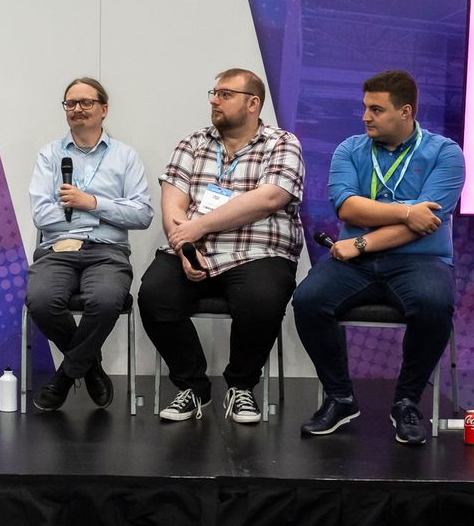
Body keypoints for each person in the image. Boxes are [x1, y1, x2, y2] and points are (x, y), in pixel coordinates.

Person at [293, 70, 465, 446]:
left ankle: (406, 402)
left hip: (418, 260)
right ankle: (340, 398)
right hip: (356, 265)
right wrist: (407, 211)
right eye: (365, 107)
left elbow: (428, 223)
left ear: (405, 112)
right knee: (307, 300)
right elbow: (348, 208)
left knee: (434, 304)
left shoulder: (445, 153)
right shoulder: (350, 149)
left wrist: (361, 243)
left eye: (376, 109)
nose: (365, 117)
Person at [138, 68, 303, 423]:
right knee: (154, 295)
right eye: (214, 93)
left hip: (257, 250)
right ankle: (193, 387)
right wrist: (183, 246)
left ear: (253, 103)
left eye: (225, 94)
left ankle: (241, 386)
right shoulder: (192, 143)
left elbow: (270, 197)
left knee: (262, 299)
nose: (215, 100)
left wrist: (198, 226)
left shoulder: (281, 143)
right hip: (193, 247)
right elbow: (173, 202)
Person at [27, 77, 153, 410]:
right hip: (57, 250)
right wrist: (103, 214)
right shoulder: (49, 155)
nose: (78, 109)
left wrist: (90, 203)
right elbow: (41, 215)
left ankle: (65, 376)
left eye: (86, 102)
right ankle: (90, 366)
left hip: (107, 252)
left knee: (107, 300)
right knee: (41, 301)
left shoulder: (125, 157)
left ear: (104, 109)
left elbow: (142, 214)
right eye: (71, 103)